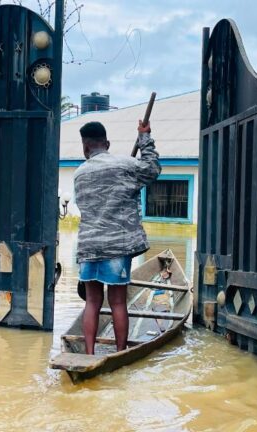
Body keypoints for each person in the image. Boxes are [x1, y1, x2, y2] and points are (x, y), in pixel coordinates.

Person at [73, 119, 161, 355]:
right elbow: (152, 169)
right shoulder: (125, 165)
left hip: (88, 247)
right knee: (118, 302)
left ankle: (89, 354)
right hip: (116, 246)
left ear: (85, 147)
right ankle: (121, 352)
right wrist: (145, 137)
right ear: (107, 143)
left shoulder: (79, 173)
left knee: (92, 302)